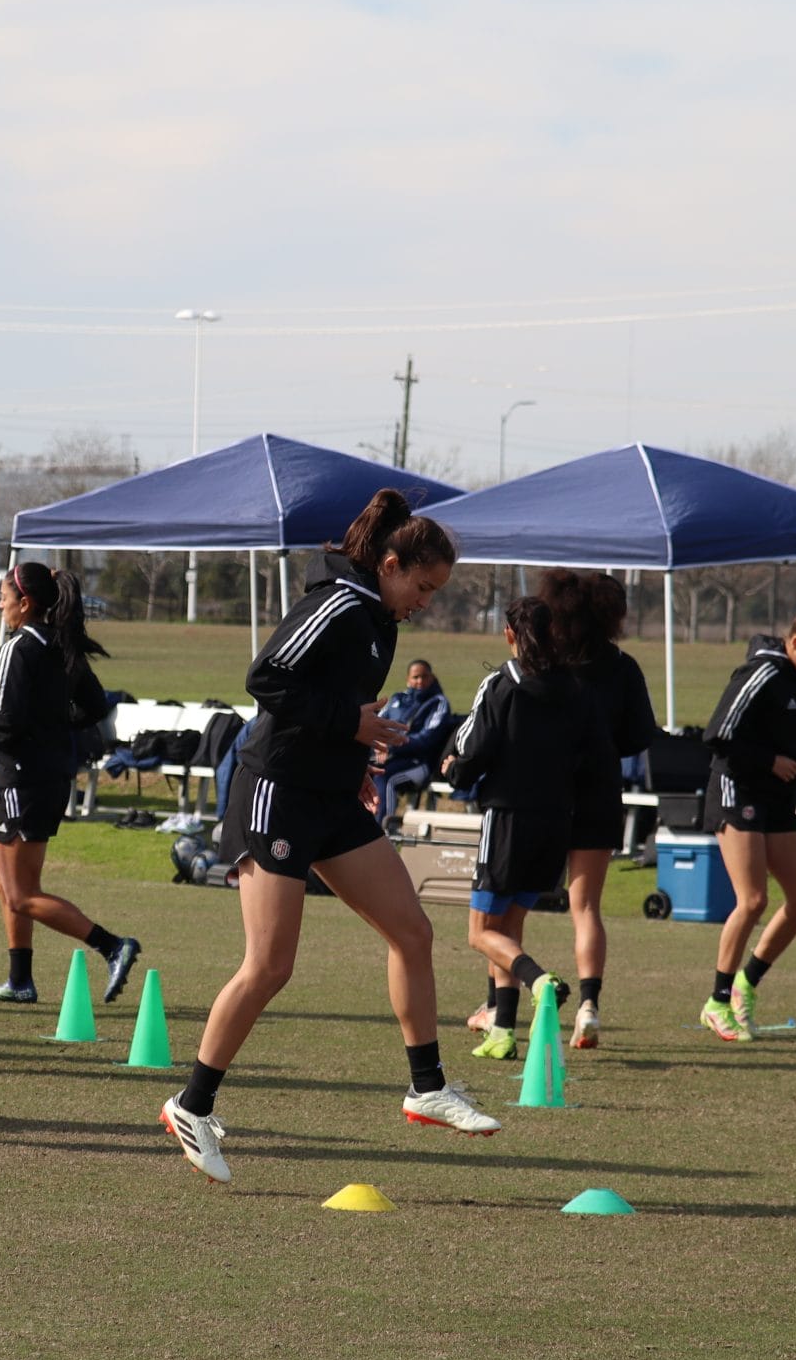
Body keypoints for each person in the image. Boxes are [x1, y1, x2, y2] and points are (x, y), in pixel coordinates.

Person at [160, 489, 498, 1185]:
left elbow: (343, 706)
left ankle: (426, 1086)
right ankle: (191, 1105)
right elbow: (267, 678)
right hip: (277, 793)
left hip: (331, 795)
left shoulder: (379, 617)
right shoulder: (340, 603)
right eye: (423, 586)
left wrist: (355, 763)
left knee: (412, 931)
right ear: (392, 563)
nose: (426, 601)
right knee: (270, 965)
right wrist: (352, 728)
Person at [0, 561, 140, 1006]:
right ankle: (19, 980)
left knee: (21, 893)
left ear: (25, 603)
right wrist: (54, 728)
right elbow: (95, 706)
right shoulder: (60, 645)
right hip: (50, 776)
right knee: (4, 882)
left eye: (4, 596)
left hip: (22, 780)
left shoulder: (17, 648)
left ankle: (112, 945)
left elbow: (10, 723)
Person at [440, 596, 598, 1062]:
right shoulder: (572, 687)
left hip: (508, 818)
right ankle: (503, 1032)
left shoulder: (503, 682)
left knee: (479, 932)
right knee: (508, 929)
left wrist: (454, 768)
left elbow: (473, 742)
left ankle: (540, 980)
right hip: (556, 821)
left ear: (510, 634)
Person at [697, 601, 796, 1043]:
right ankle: (717, 1001)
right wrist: (770, 760)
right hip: (737, 790)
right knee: (753, 900)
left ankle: (746, 983)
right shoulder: (759, 672)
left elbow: (788, 732)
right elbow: (717, 735)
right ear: (794, 642)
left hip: (778, 799)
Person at [546, 570, 654, 1049]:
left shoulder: (546, 661)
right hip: (600, 793)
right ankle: (589, 1003)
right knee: (585, 906)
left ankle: (501, 1004)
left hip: (544, 794)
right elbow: (640, 736)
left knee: (511, 904)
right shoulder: (622, 666)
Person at [372, 658, 452, 824]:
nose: (420, 681)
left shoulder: (438, 703)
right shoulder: (396, 700)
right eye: (415, 677)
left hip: (419, 763)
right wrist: (379, 746)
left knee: (385, 778)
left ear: (432, 677)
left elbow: (426, 739)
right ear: (408, 680)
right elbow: (376, 725)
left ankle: (384, 831)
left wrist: (392, 746)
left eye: (424, 676)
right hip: (386, 757)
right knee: (361, 771)